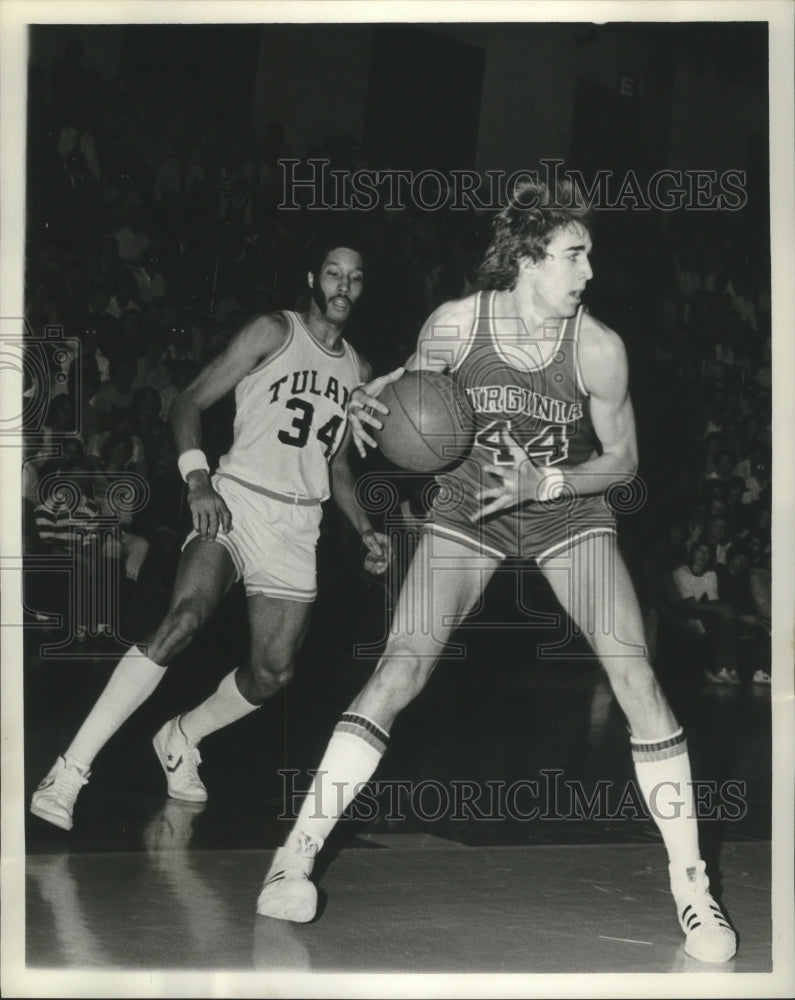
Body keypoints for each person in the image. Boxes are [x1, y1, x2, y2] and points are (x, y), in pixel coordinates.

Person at [255, 180, 738, 965]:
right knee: (400, 666)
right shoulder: (456, 322)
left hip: (561, 506)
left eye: (589, 255)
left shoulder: (597, 347)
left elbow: (622, 461)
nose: (588, 270)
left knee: (636, 678)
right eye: (573, 254)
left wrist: (544, 483)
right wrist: (371, 403)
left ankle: (692, 888)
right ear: (524, 258)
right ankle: (295, 856)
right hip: (469, 500)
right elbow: (403, 383)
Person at [30, 236, 389, 828]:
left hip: (299, 526)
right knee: (184, 619)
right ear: (312, 278)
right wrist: (198, 482)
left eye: (353, 276)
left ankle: (181, 736)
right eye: (332, 273)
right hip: (234, 502)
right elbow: (188, 401)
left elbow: (339, 464)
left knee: (273, 673)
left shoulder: (361, 371)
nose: (342, 286)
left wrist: (365, 528)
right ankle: (69, 769)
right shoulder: (274, 331)